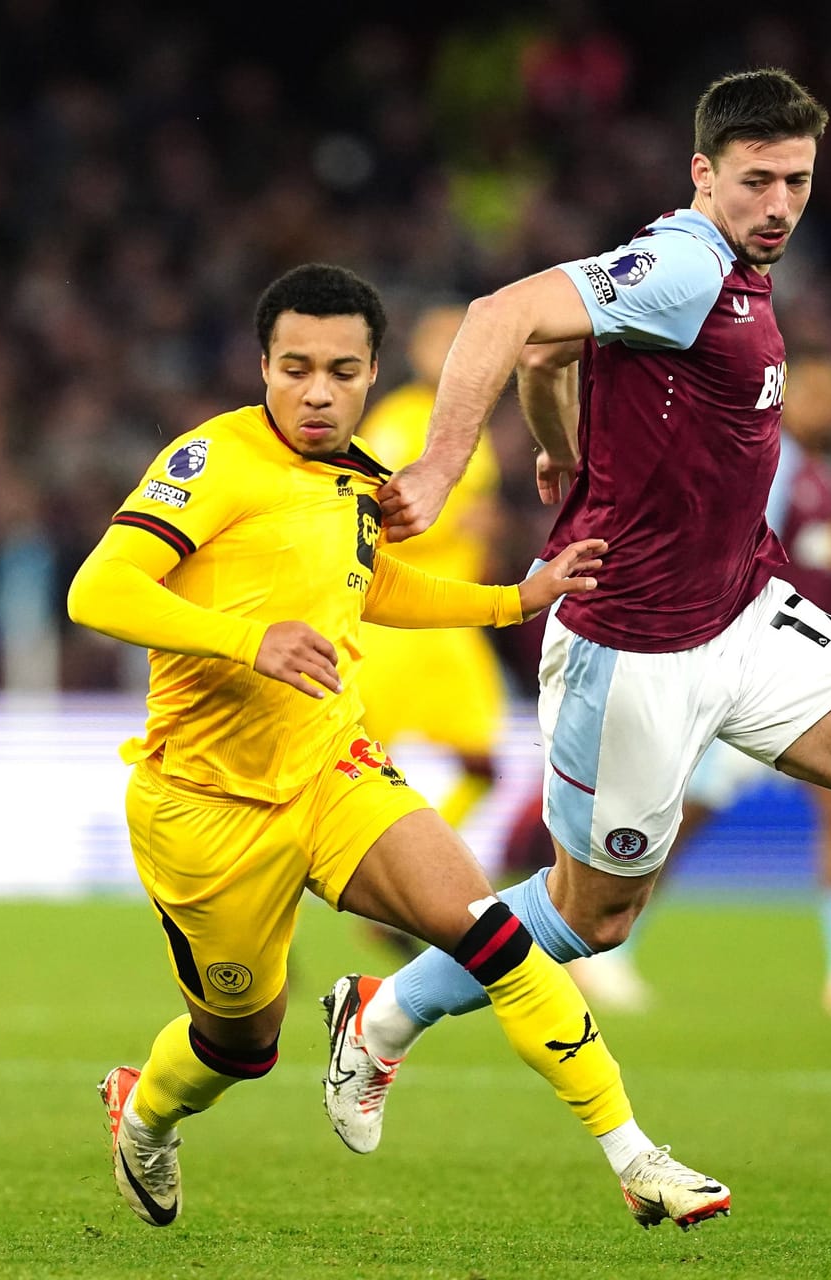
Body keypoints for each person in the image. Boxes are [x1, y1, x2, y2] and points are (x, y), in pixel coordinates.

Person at [324, 69, 831, 1151]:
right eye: (757, 178)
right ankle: (382, 1011)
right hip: (632, 642)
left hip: (743, 603)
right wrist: (446, 467)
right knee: (592, 914)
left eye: (799, 180)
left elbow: (552, 355)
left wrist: (557, 441)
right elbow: (505, 316)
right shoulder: (683, 263)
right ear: (703, 173)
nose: (780, 203)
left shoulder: (732, 270)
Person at [67, 263, 729, 1231]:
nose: (318, 391)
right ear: (263, 365)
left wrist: (513, 598)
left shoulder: (360, 475)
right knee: (238, 1043)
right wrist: (250, 638)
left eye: (341, 370)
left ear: (373, 373)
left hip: (333, 770)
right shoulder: (213, 461)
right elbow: (98, 588)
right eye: (295, 368)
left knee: (495, 935)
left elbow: (371, 586)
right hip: (205, 806)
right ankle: (146, 1107)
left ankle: (634, 1154)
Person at [552, 354, 831, 1018]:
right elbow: (724, 551)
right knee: (676, 820)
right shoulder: (772, 462)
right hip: (743, 670)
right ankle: (601, 950)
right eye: (815, 390)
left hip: (794, 672)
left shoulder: (825, 478)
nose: (828, 404)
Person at [354, 302, 509, 959]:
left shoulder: (474, 431)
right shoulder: (397, 422)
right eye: (439, 342)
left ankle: (409, 884)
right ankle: (357, 892)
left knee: (484, 766)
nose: (451, 356)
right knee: (354, 772)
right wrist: (457, 526)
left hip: (451, 624)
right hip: (395, 623)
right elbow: (378, 515)